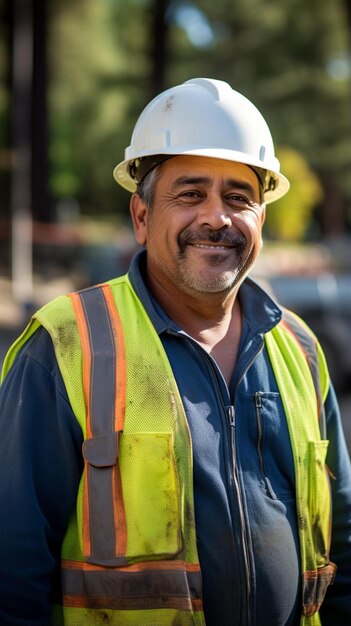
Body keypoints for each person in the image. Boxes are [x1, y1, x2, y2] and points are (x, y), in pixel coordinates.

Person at [0, 77, 350, 626]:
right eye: (191, 194)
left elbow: (343, 541)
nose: (217, 217)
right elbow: (11, 568)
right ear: (142, 218)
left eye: (240, 197)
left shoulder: (301, 349)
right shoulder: (67, 345)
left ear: (262, 218)